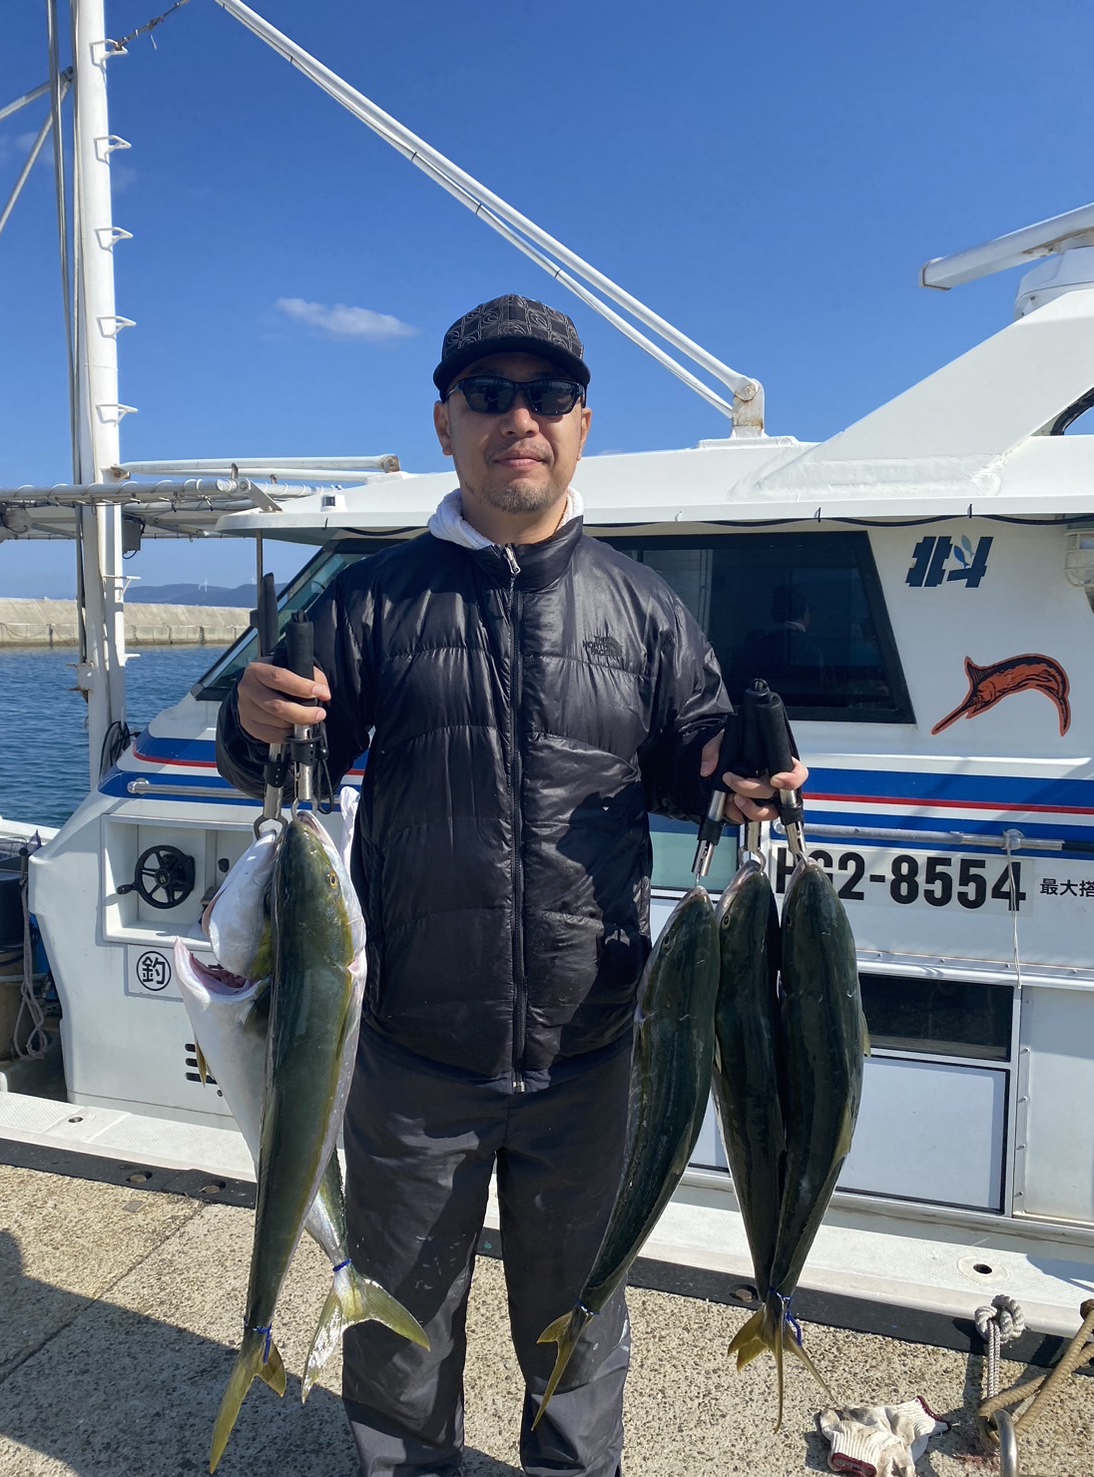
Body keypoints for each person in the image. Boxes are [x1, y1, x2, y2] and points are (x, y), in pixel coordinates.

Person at [215, 293, 807, 1477]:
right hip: (412, 1057)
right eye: (488, 394)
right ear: (445, 421)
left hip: (594, 1053)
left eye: (547, 395)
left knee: (579, 1335)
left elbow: (694, 751)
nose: (518, 418)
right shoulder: (371, 600)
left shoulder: (643, 605)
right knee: (397, 1342)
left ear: (582, 423)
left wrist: (739, 774)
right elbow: (280, 758)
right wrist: (252, 720)